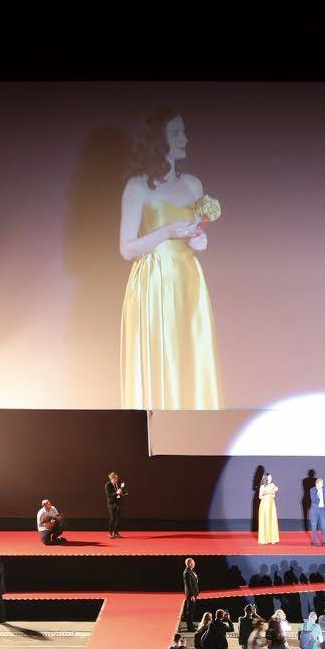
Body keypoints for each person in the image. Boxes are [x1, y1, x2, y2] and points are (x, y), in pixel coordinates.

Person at [119, 107, 221, 409]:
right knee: (162, 356)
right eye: (176, 133)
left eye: (183, 132)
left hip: (188, 277)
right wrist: (165, 232)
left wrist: (199, 241)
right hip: (154, 282)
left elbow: (196, 235)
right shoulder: (137, 187)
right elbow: (126, 248)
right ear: (157, 140)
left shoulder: (193, 184)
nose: (184, 139)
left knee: (191, 352)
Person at [258, 473, 279, 546]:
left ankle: (273, 539)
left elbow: (274, 495)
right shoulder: (262, 487)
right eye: (269, 478)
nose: (270, 479)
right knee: (265, 520)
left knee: (272, 520)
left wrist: (271, 494)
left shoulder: (273, 485)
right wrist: (267, 495)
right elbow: (260, 497)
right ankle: (264, 539)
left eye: (271, 478)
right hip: (264, 505)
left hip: (271, 504)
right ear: (266, 479)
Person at [105, 471, 127, 538]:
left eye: (117, 479)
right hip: (111, 504)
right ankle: (110, 532)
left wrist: (124, 493)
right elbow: (108, 495)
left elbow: (122, 490)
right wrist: (116, 493)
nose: (116, 480)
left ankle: (116, 532)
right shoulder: (107, 485)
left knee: (118, 518)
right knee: (113, 518)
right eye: (115, 479)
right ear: (111, 479)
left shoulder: (119, 483)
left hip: (118, 502)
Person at [309, 475, 325, 546]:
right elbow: (313, 500)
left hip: (322, 510)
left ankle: (324, 542)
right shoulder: (312, 490)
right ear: (316, 484)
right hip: (314, 510)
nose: (321, 485)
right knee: (314, 526)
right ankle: (314, 542)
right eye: (320, 483)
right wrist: (318, 495)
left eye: (322, 483)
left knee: (323, 526)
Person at [182, 557, 200, 630]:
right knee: (190, 610)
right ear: (189, 564)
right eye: (193, 562)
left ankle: (191, 624)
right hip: (190, 594)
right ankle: (190, 627)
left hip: (194, 593)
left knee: (192, 610)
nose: (194, 563)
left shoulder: (192, 571)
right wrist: (192, 595)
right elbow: (188, 585)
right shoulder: (187, 572)